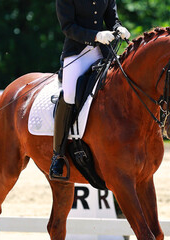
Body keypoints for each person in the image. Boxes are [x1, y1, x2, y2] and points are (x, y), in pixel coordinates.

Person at [51, 0, 131, 180]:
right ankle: (58, 155)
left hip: (103, 52)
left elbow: (113, 20)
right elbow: (68, 27)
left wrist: (118, 28)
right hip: (77, 53)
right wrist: (95, 36)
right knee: (70, 94)